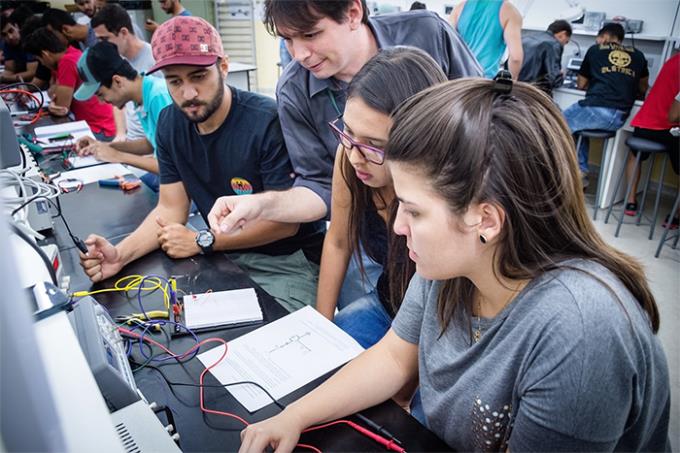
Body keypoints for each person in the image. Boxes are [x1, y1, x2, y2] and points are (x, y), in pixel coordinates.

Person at [237, 77, 671, 453]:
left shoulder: (579, 334)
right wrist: (294, 416)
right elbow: (392, 358)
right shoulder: (452, 265)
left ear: (486, 219)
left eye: (414, 210)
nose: (399, 227)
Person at [208, 0, 481, 304]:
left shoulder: (430, 35)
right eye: (287, 39)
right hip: (371, 237)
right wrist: (260, 207)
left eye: (310, 35)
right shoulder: (295, 92)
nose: (298, 55)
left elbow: (483, 119)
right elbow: (319, 187)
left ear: (352, 13)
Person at [78, 16, 325, 313]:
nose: (188, 94)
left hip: (285, 262)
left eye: (198, 77)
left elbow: (284, 225)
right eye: (175, 81)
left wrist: (203, 241)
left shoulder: (266, 121)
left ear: (223, 67)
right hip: (220, 256)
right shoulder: (170, 123)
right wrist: (120, 255)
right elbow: (170, 208)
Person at [319, 47, 445, 349]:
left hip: (438, 322)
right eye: (347, 131)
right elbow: (338, 241)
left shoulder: (445, 187)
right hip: (386, 301)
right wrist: (319, 327)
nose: (355, 156)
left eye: (375, 145)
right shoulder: (348, 156)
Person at [73, 41, 172, 192]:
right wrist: (102, 146)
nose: (101, 102)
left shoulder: (158, 97)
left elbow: (172, 168)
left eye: (100, 94)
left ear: (117, 81)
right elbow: (151, 144)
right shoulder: (141, 95)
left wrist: (118, 156)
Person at [563, 22, 648, 186]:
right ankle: (580, 171)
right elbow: (643, 86)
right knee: (576, 128)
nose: (598, 42)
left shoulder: (595, 50)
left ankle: (555, 173)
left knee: (555, 124)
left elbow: (581, 84)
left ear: (605, 37)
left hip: (598, 107)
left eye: (599, 38)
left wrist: (597, 82)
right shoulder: (639, 55)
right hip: (621, 115)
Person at [23, 27, 116, 141]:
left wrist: (54, 105)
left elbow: (60, 107)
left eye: (39, 60)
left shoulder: (67, 62)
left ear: (45, 54)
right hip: (103, 123)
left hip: (99, 129)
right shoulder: (72, 53)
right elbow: (52, 91)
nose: (42, 64)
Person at [622, 53, 679, 228]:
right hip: (669, 127)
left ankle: (630, 201)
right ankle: (676, 215)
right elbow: (674, 114)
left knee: (635, 156)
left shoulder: (673, 59)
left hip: (646, 120)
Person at [91, 4, 158, 144]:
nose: (101, 45)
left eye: (104, 39)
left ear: (123, 33)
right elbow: (117, 98)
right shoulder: (116, 58)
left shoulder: (155, 60)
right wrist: (120, 134)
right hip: (131, 139)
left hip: (150, 144)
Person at [450, 0, 523, 79]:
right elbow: (516, 58)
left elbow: (448, 48)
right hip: (485, 83)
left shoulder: (458, 9)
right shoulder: (509, 11)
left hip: (459, 82)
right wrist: (512, 80)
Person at [518, 19, 571, 95]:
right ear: (563, 33)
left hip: (517, 89)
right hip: (536, 93)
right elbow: (554, 79)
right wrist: (562, 75)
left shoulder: (525, 38)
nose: (564, 44)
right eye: (566, 41)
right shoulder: (553, 45)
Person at [0, 6, 37, 83]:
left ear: (17, 26)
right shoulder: (6, 44)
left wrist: (5, 79)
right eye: (4, 35)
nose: (10, 37)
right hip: (20, 81)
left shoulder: (29, 40)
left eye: (11, 31)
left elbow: (32, 72)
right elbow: (9, 70)